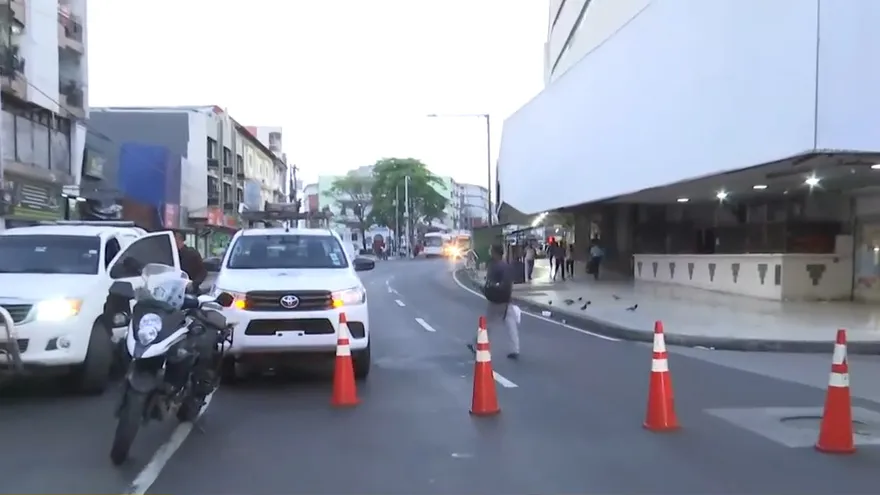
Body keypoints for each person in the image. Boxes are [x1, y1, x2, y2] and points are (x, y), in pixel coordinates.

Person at [469, 244, 520, 359]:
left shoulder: (495, 266)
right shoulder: (506, 266)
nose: (489, 252)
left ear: (495, 253)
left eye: (491, 250)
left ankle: (477, 345)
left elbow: (491, 283)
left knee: (488, 324)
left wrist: (488, 288)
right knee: (510, 323)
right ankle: (515, 348)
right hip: (507, 299)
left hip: (497, 300)